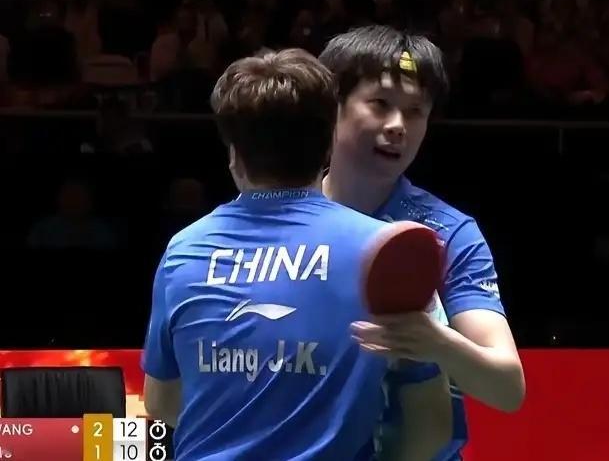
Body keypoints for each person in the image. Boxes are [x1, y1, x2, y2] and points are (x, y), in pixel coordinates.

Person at [141, 48, 451, 460]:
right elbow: (431, 427)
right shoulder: (386, 252)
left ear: (234, 153)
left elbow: (162, 403)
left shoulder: (184, 250)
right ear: (328, 145)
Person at [319, 25, 526, 460]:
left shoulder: (449, 233)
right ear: (332, 106)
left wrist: (436, 343)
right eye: (380, 104)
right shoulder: (282, 218)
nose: (398, 126)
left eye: (415, 112)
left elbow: (508, 387)